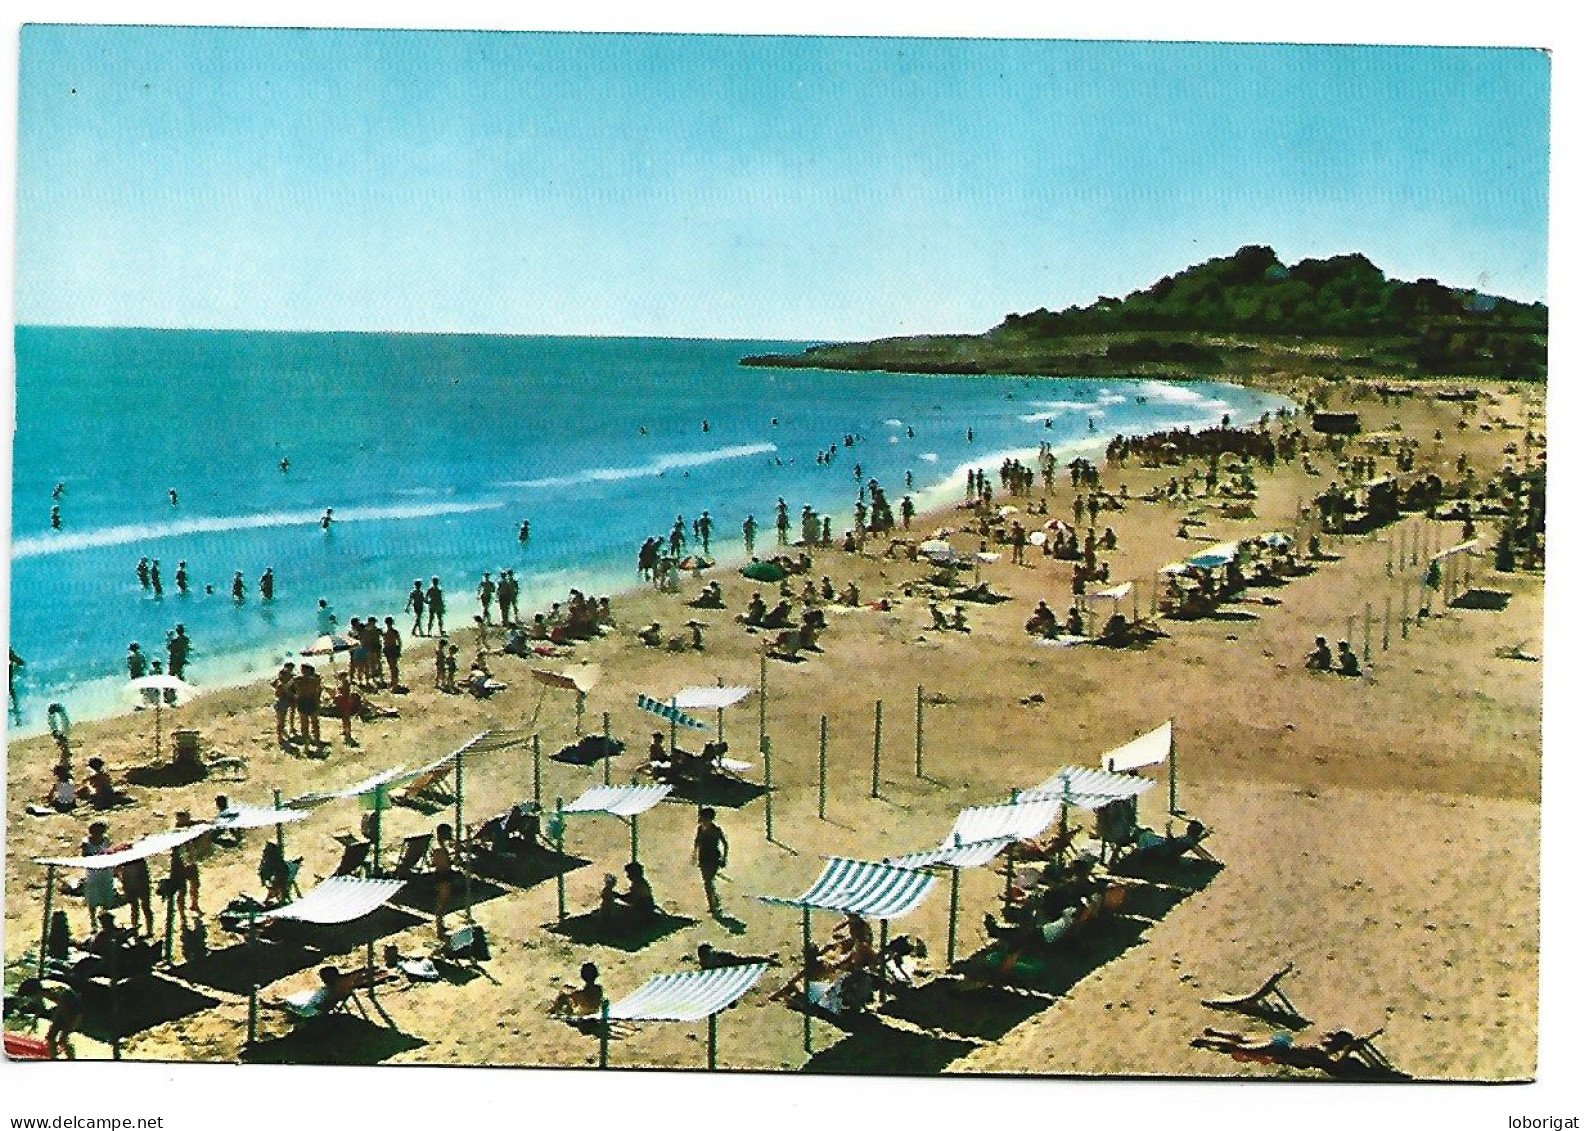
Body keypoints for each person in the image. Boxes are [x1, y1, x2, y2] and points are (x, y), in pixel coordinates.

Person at [14, 978, 82, 1059]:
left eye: (32, 996)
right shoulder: (40, 991)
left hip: (74, 1012)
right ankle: (53, 1058)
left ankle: (72, 1059)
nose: (33, 998)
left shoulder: (52, 990)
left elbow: (62, 1007)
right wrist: (34, 1022)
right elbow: (40, 1007)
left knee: (62, 1040)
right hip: (64, 1009)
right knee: (50, 1038)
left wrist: (59, 1020)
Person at [81, 821, 117, 931]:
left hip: (106, 873)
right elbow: (85, 856)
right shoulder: (87, 842)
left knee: (105, 898)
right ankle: (93, 923)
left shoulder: (106, 840)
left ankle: (105, 923)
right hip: (93, 874)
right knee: (93, 900)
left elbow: (110, 852)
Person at [693, 808, 729, 916]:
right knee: (707, 881)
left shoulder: (716, 830)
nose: (703, 820)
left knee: (708, 881)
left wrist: (724, 858)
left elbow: (725, 844)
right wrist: (694, 854)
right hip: (703, 858)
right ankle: (713, 901)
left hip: (713, 858)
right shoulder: (700, 829)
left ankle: (712, 905)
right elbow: (697, 841)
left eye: (705, 819)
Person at [431, 824, 457, 940]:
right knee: (442, 903)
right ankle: (439, 929)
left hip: (443, 876)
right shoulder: (439, 849)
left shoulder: (441, 847)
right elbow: (442, 864)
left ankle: (440, 925)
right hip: (443, 877)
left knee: (444, 903)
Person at [615, 861, 656, 926]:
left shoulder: (638, 885)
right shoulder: (639, 883)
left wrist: (619, 897)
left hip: (641, 914)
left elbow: (633, 900)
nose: (627, 876)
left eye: (629, 873)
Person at [259, 840, 295, 904]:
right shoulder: (268, 862)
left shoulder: (275, 862)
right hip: (276, 879)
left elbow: (282, 872)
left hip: (278, 879)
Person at [272, 662, 296, 746]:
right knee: (280, 721)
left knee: (282, 720)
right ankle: (280, 737)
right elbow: (279, 692)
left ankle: (281, 736)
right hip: (282, 703)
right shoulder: (281, 684)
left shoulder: (285, 681)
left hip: (283, 702)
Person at [382, 617, 403, 688]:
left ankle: (394, 682)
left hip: (389, 650)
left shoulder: (385, 633)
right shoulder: (394, 632)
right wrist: (399, 649)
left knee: (392, 666)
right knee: (394, 666)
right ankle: (394, 682)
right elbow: (399, 642)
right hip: (392, 649)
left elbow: (385, 643)